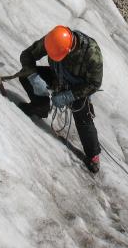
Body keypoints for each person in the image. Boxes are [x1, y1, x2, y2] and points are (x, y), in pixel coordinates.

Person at [18, 26, 103, 173]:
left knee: (83, 117)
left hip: (78, 87)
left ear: (69, 50)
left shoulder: (91, 54)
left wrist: (69, 95)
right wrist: (33, 76)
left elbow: (94, 83)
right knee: (25, 75)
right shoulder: (53, 40)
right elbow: (27, 55)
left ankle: (93, 155)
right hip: (58, 76)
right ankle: (40, 107)